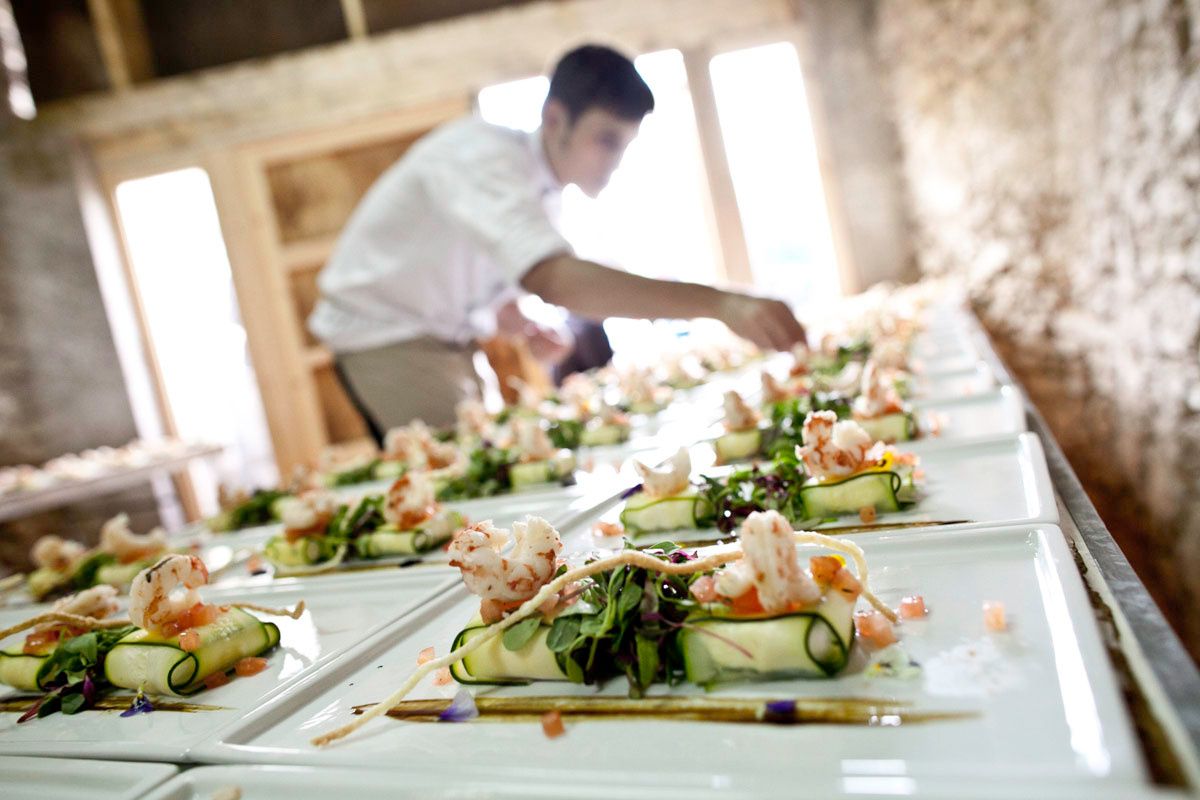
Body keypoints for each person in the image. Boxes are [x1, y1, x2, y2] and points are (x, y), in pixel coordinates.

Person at [309, 44, 806, 434]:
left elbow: (474, 280)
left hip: (440, 340)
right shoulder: (482, 157)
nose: (614, 160)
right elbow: (556, 279)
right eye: (606, 140)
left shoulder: (542, 193)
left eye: (624, 145)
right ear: (554, 119)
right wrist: (722, 304)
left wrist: (519, 322)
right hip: (385, 338)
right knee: (458, 493)